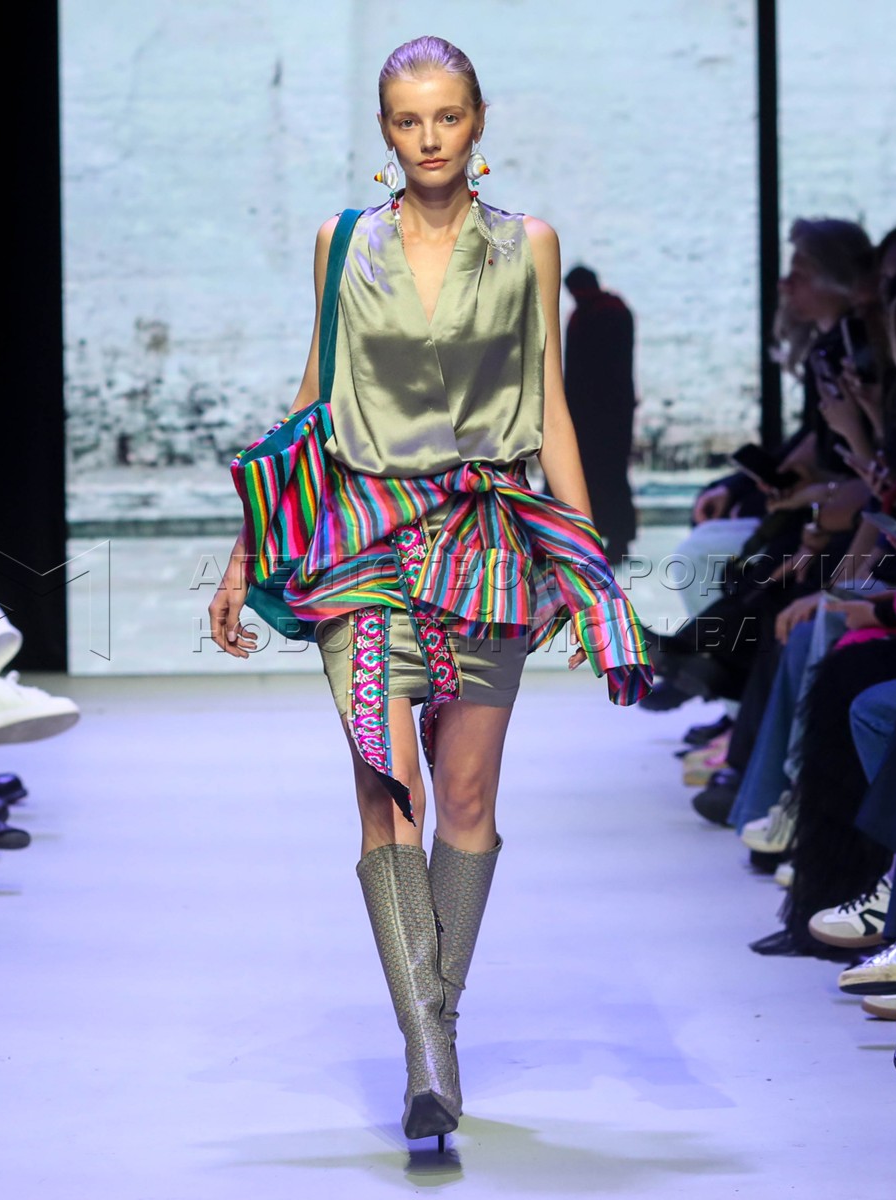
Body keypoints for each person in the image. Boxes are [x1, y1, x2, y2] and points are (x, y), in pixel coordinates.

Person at [207, 35, 651, 1151]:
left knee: (466, 796)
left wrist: (584, 562)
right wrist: (245, 550)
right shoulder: (342, 244)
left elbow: (550, 405)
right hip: (358, 545)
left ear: (478, 120)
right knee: (385, 789)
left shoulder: (528, 245)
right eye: (408, 121)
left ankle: (435, 1017)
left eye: (447, 116)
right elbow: (312, 398)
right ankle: (427, 1053)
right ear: (385, 132)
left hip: (488, 540)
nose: (429, 139)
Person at [562, 265, 637, 566]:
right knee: (606, 474)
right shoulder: (604, 312)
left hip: (602, 412)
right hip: (601, 411)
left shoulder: (598, 314)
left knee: (608, 474)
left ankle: (614, 537)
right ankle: (610, 537)